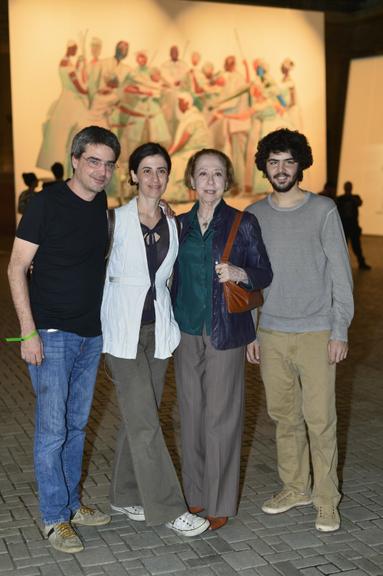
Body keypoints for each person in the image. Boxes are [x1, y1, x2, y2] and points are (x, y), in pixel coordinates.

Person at [8, 125, 121, 554]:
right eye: (93, 161)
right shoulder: (46, 202)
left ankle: (72, 505)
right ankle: (55, 518)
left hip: (90, 335)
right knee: (52, 431)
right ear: (75, 159)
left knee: (76, 427)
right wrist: (28, 331)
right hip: (51, 334)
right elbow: (16, 267)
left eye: (108, 164)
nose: (101, 171)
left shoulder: (101, 203)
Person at [246, 128, 354, 532]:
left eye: (288, 161)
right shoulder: (254, 215)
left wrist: (339, 329)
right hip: (271, 332)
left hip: (317, 332)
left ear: (300, 164)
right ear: (264, 167)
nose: (281, 169)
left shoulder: (323, 209)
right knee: (283, 416)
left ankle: (327, 499)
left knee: (320, 419)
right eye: (273, 162)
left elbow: (341, 275)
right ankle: (295, 487)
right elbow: (251, 280)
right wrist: (252, 332)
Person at [101, 142, 210, 537]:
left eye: (161, 170)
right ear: (132, 176)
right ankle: (168, 508)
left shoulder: (173, 223)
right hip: (123, 333)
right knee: (146, 422)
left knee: (140, 416)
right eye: (146, 170)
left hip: (158, 332)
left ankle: (123, 493)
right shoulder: (113, 220)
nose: (154, 178)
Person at [172, 148, 273, 530]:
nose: (210, 181)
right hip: (186, 329)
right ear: (192, 180)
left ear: (226, 181)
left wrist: (239, 272)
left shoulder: (242, 223)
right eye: (203, 174)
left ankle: (219, 502)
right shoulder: (178, 225)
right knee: (191, 413)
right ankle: (195, 496)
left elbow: (263, 273)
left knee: (222, 418)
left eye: (217, 174)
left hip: (226, 331)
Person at [336, 181, 371, 270]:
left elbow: (359, 203)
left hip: (353, 226)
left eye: (349, 187)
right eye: (347, 187)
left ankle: (361, 263)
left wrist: (350, 197)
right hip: (344, 226)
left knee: (357, 246)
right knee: (344, 247)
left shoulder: (354, 197)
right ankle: (343, 265)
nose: (348, 189)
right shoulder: (341, 198)